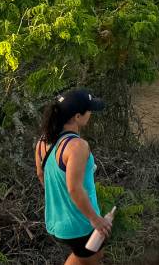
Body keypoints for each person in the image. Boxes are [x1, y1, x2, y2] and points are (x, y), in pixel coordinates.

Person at [35, 88, 111, 264]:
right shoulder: (77, 146)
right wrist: (95, 219)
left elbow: (41, 174)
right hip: (79, 223)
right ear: (77, 116)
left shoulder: (42, 141)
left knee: (86, 256)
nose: (91, 113)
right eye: (89, 110)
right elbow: (74, 188)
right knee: (91, 259)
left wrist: (60, 200)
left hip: (57, 219)